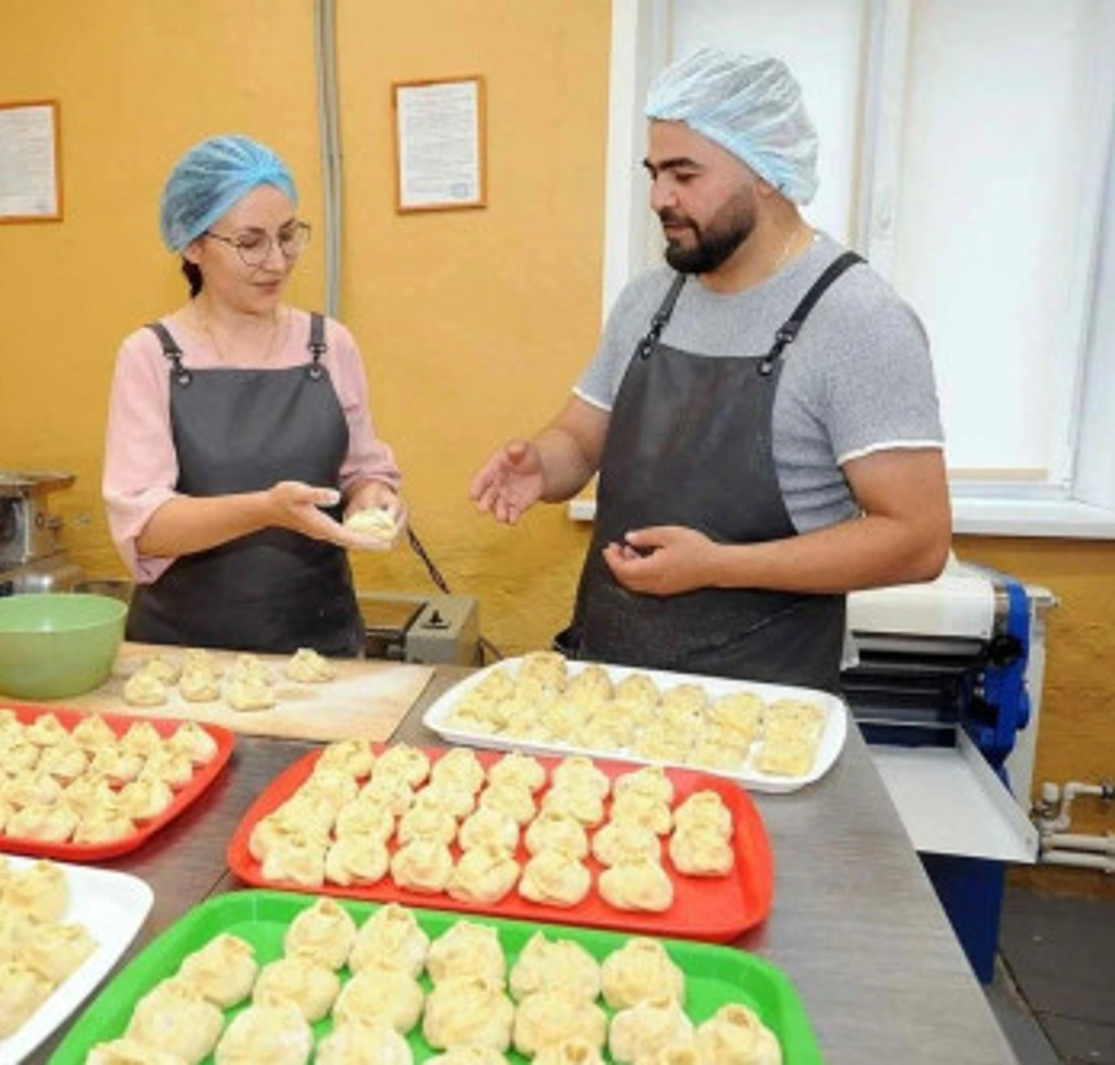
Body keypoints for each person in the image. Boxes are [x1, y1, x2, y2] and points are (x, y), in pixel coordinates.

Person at [469, 48, 950, 693]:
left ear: (767, 171)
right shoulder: (649, 299)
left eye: (684, 174)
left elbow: (918, 541)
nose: (659, 198)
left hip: (762, 709)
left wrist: (718, 565)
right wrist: (542, 465)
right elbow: (581, 440)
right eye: (653, 172)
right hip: (610, 684)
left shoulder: (858, 320)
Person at [104, 134, 404, 656]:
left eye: (288, 235)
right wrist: (266, 509)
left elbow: (362, 471)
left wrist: (374, 499)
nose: (277, 261)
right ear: (193, 245)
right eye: (250, 241)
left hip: (321, 647)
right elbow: (146, 527)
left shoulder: (329, 345)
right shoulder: (150, 355)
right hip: (181, 659)